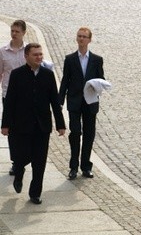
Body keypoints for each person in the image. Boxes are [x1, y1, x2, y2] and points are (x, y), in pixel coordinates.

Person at [2, 43, 66, 204]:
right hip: (21, 125)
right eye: (35, 55)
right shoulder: (17, 75)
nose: (39, 57)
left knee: (40, 160)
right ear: (26, 56)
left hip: (42, 126)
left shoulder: (47, 74)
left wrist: (60, 124)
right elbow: (10, 101)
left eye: (40, 54)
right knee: (21, 156)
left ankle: (35, 192)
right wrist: (5, 124)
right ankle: (19, 171)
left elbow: (54, 100)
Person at [59, 28, 104, 180]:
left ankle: (86, 166)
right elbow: (65, 80)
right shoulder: (70, 59)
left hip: (90, 101)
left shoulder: (97, 60)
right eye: (79, 36)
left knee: (89, 134)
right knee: (76, 132)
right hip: (75, 101)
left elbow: (101, 79)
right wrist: (59, 100)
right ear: (76, 39)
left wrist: (96, 87)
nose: (81, 39)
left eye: (84, 37)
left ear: (89, 40)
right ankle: (73, 166)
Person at [0, 20, 28, 176]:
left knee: (24, 129)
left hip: (27, 96)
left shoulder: (29, 50)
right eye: (12, 30)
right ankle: (16, 162)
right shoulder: (3, 51)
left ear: (23, 32)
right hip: (8, 95)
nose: (14, 33)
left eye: (17, 31)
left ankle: (22, 158)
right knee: (11, 129)